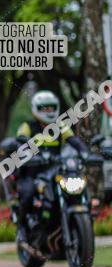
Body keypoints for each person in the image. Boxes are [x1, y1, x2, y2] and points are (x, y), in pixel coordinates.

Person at [13, 90, 89, 244]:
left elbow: (73, 139)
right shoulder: (27, 126)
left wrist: (84, 152)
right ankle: (21, 228)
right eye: (44, 108)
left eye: (51, 108)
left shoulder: (60, 125)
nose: (49, 111)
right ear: (36, 109)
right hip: (32, 172)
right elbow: (20, 141)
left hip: (56, 170)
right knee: (27, 193)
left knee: (77, 187)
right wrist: (30, 151)